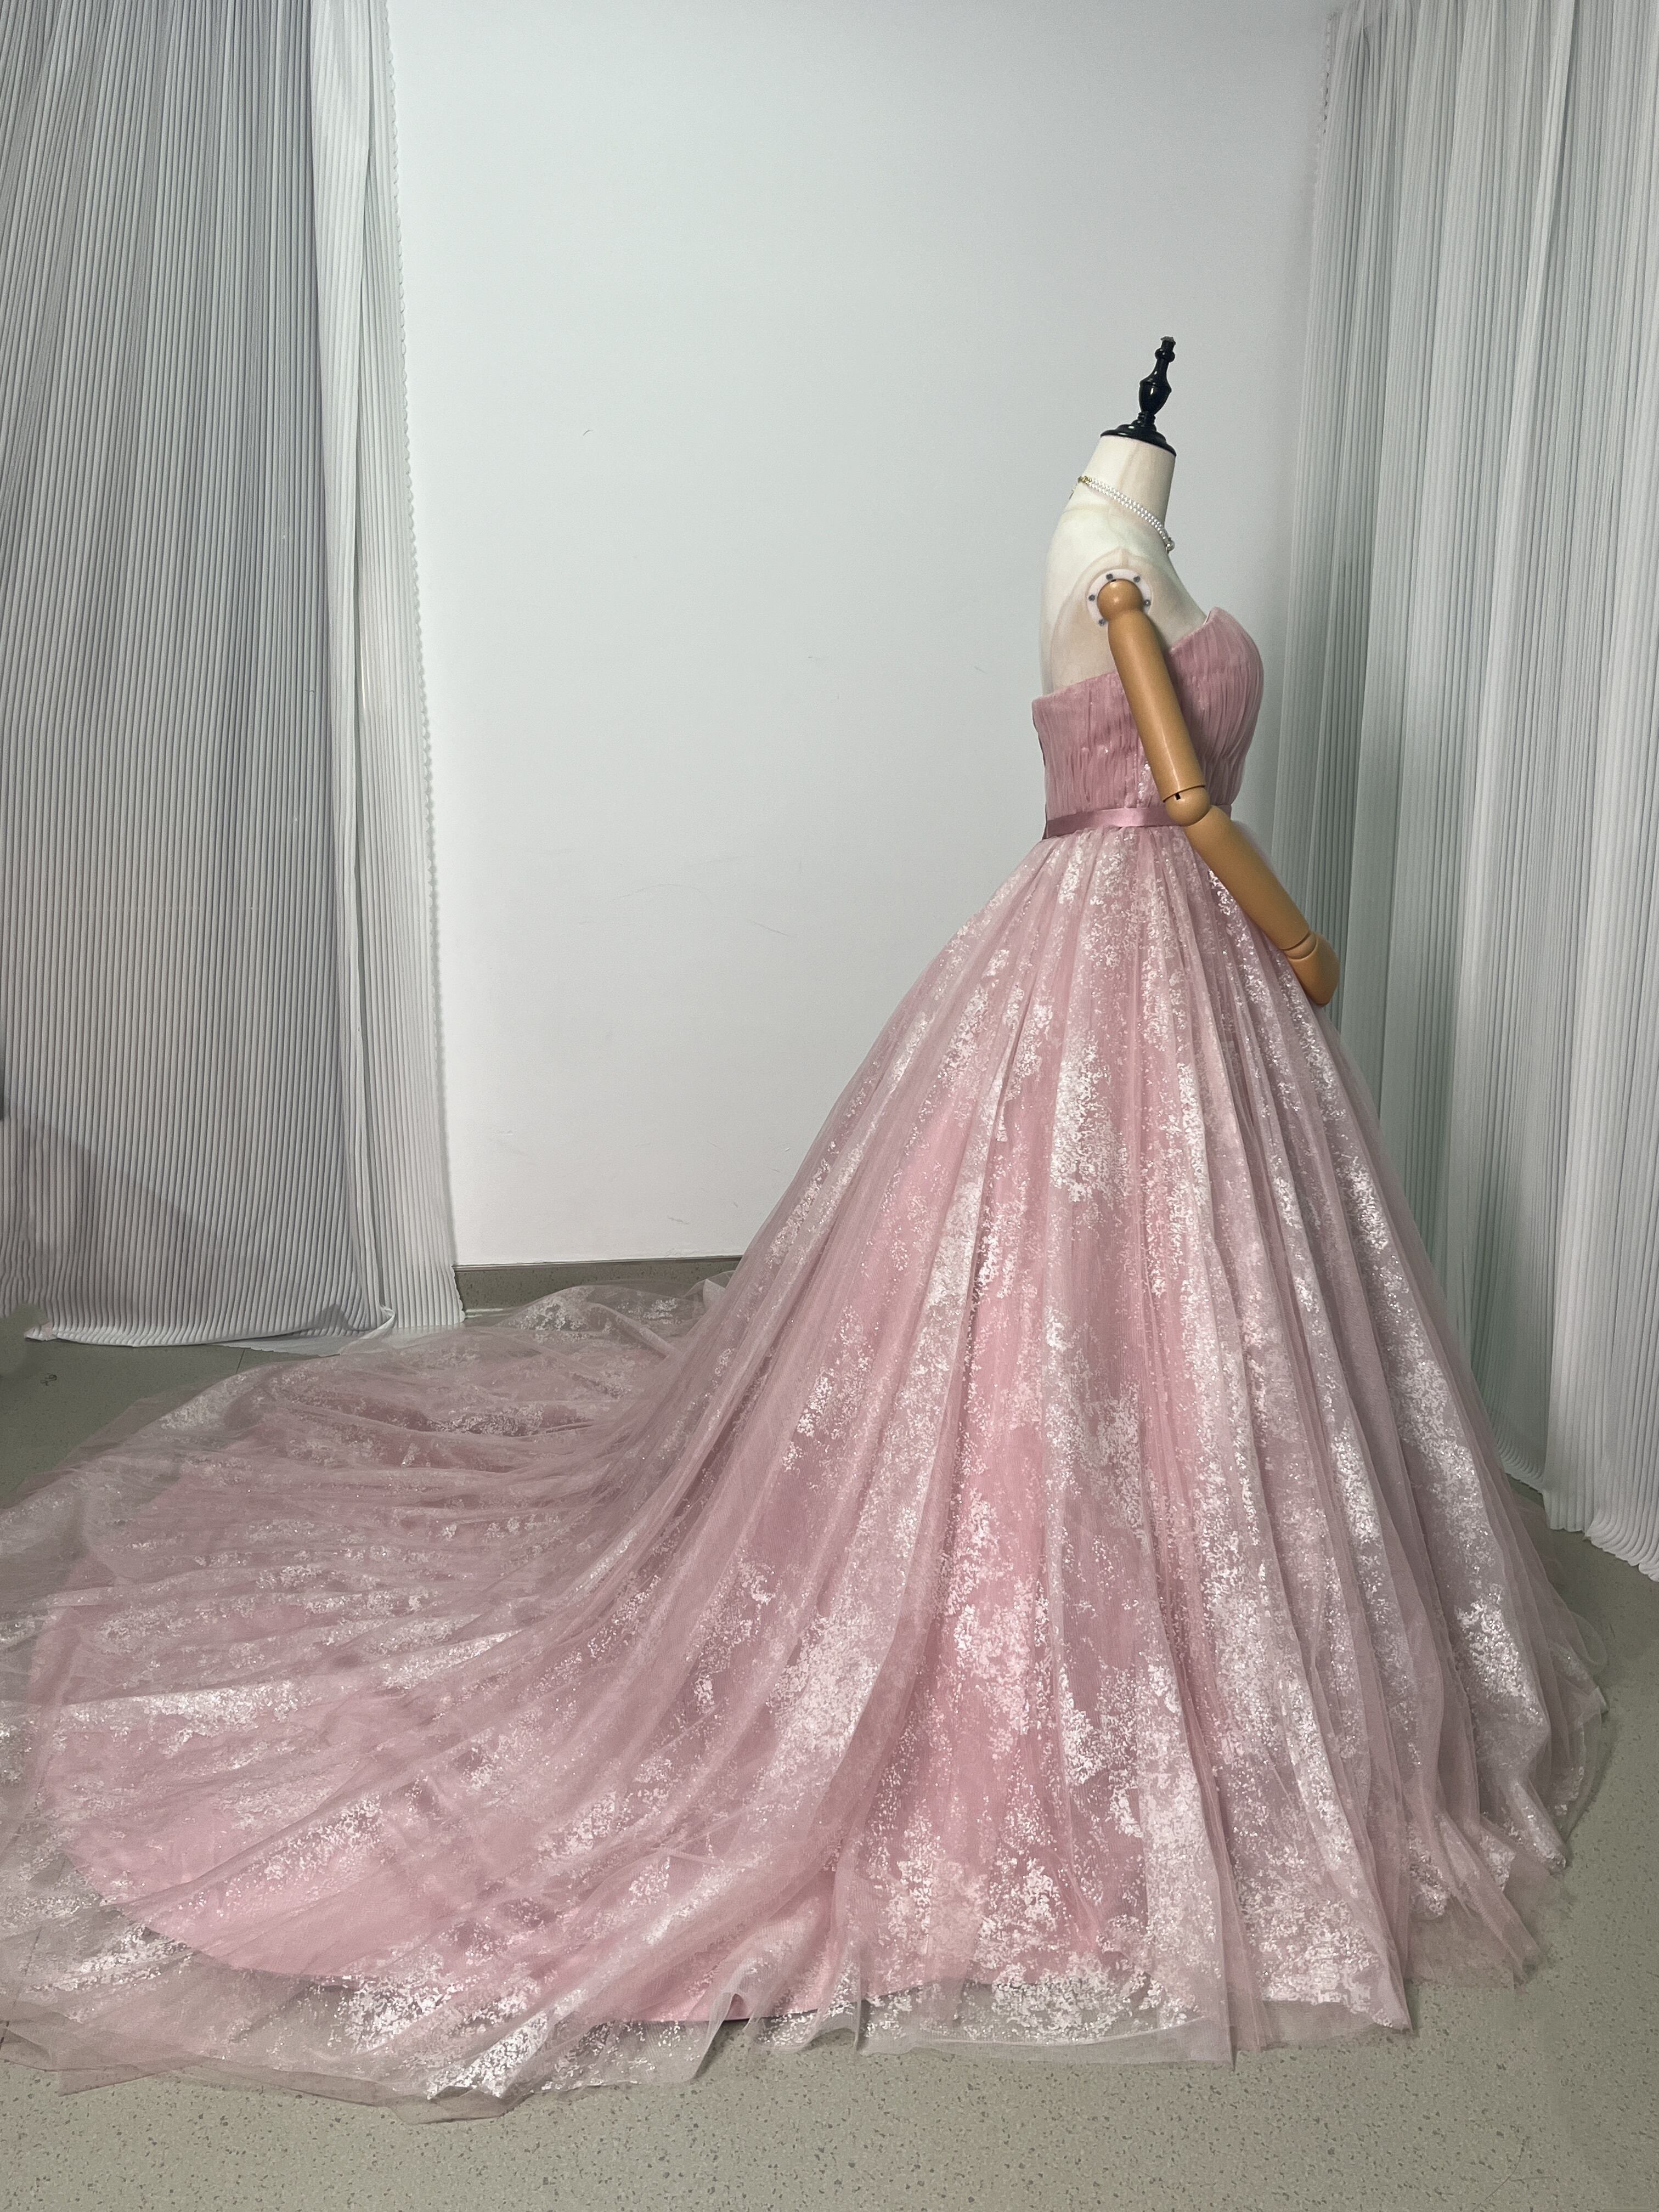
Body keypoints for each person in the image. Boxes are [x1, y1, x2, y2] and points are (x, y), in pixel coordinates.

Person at [0, 354, 1602, 2117]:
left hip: (1179, 972)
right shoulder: (1093, 544)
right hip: (1136, 939)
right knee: (1048, 1306)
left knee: (1193, 1312)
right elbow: (1190, 798)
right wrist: (1303, 949)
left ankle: (1199, 1605)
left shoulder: (1147, 543)